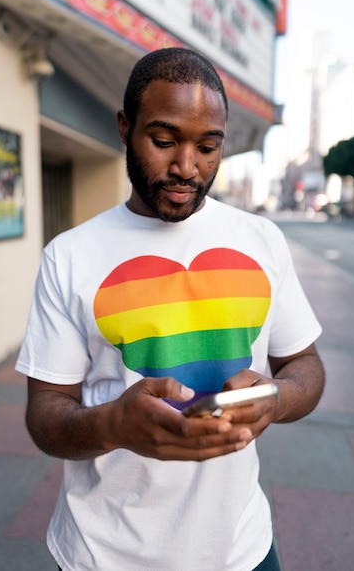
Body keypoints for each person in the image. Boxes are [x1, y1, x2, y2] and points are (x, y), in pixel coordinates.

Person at [16, 47, 325, 571]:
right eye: (163, 141)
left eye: (208, 147)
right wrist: (114, 425)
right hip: (104, 556)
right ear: (123, 128)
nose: (187, 167)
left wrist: (277, 398)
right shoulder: (69, 256)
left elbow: (306, 366)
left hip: (241, 550)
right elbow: (45, 415)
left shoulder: (262, 240)